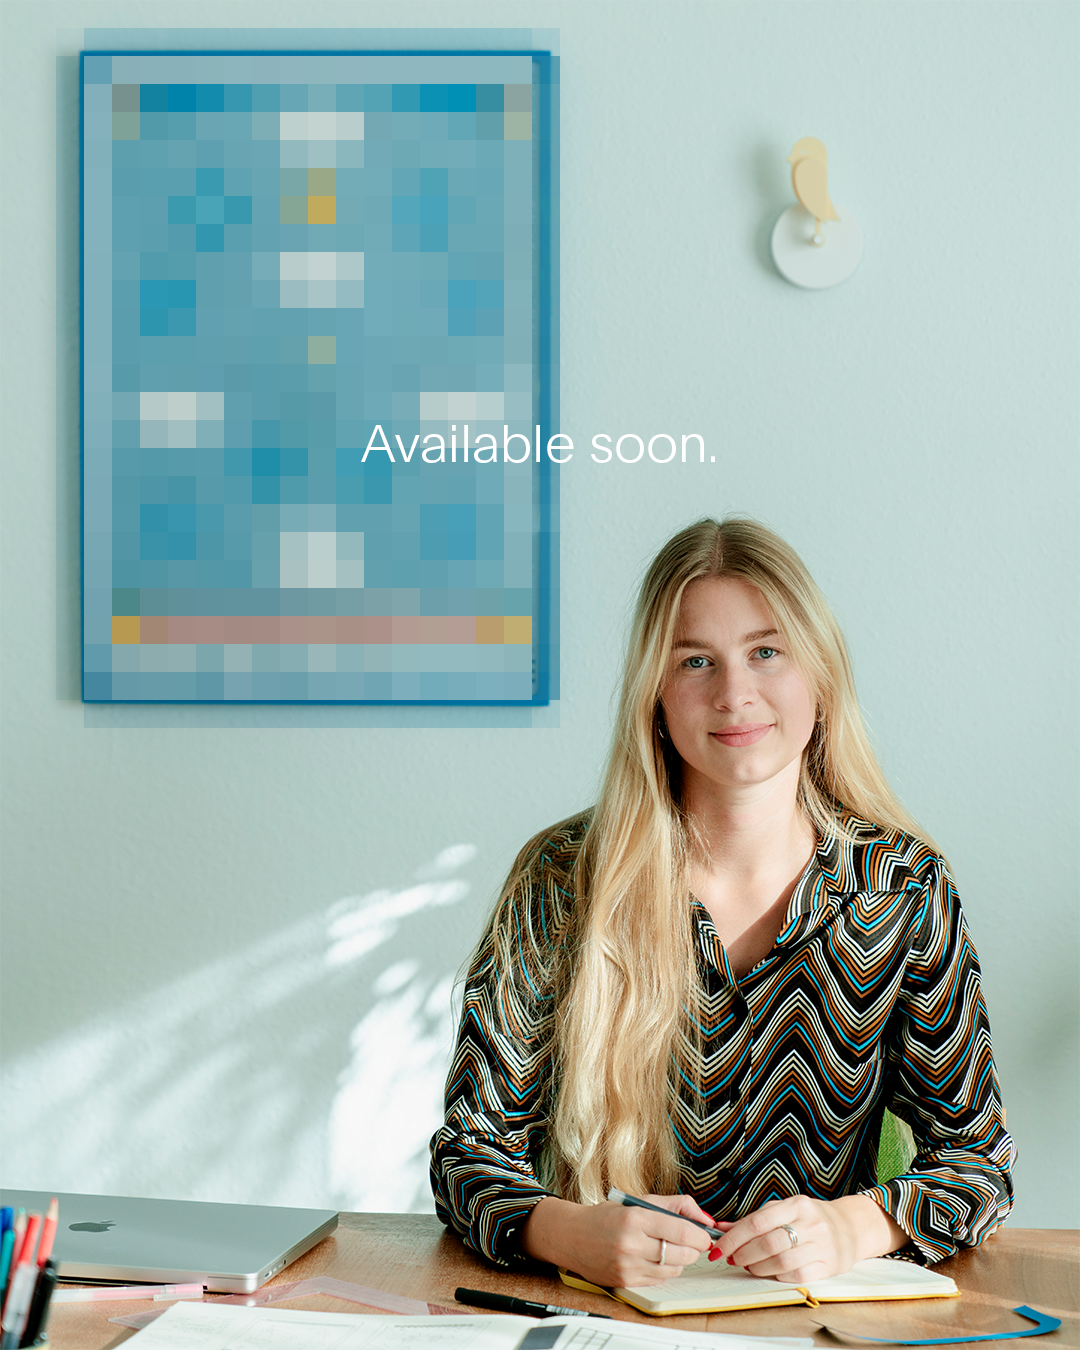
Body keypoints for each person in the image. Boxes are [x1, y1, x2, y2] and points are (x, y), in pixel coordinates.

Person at [430, 517, 1014, 1290]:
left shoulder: (905, 887)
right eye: (695, 661)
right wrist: (569, 1233)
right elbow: (466, 1154)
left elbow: (979, 1163)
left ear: (820, 676)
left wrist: (849, 1227)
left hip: (815, 1324)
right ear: (655, 698)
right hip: (604, 1319)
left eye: (766, 652)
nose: (735, 694)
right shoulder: (561, 880)